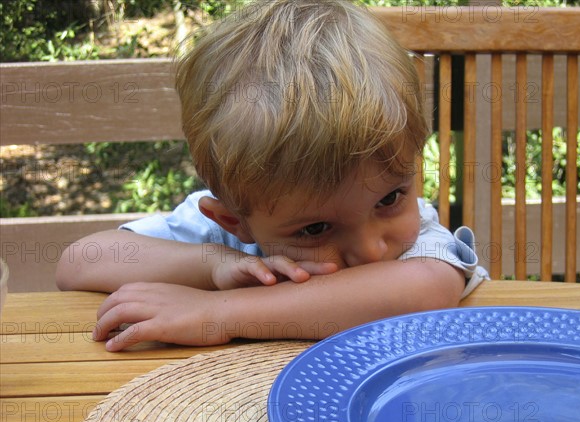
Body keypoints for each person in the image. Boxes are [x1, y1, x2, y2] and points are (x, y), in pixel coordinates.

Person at [56, 0, 488, 352]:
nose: (371, 249)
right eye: (316, 228)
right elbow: (79, 262)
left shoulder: (418, 242)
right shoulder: (227, 242)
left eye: (390, 199)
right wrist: (213, 266)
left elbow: (428, 287)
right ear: (233, 221)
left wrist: (217, 313)